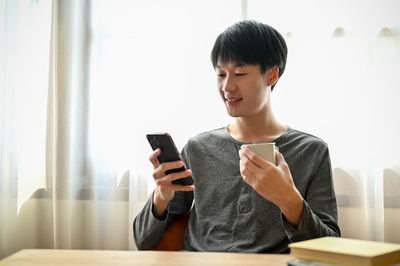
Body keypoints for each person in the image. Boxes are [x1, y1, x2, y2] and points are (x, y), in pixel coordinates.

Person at [133, 20, 340, 253]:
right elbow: (143, 241)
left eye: (239, 73)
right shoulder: (198, 148)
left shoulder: (312, 151)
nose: (227, 86)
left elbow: (329, 248)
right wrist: (161, 197)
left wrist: (289, 201)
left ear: (271, 75)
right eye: (221, 74)